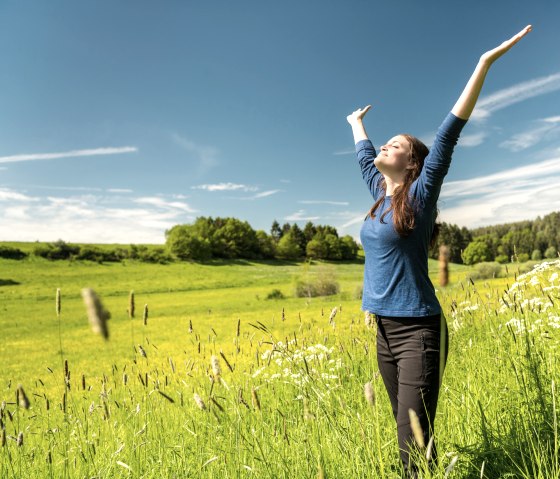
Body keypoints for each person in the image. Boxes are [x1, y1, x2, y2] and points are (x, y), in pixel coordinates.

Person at [347, 25, 532, 477]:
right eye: (384, 141)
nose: (385, 146)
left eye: (397, 144)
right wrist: (356, 124)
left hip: (419, 333)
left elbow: (449, 133)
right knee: (406, 431)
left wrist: (483, 64)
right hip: (384, 332)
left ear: (412, 163)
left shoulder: (420, 195)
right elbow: (363, 154)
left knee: (413, 445)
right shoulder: (378, 193)